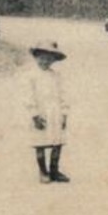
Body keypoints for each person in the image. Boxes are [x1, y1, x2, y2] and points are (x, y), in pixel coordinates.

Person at [26, 40, 70, 183]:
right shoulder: (31, 76)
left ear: (53, 60)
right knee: (40, 142)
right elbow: (28, 97)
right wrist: (35, 116)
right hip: (40, 113)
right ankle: (43, 171)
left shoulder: (56, 76)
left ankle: (54, 170)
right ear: (36, 57)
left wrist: (64, 114)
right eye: (41, 57)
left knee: (57, 142)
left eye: (49, 58)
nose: (45, 61)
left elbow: (63, 95)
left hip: (55, 112)